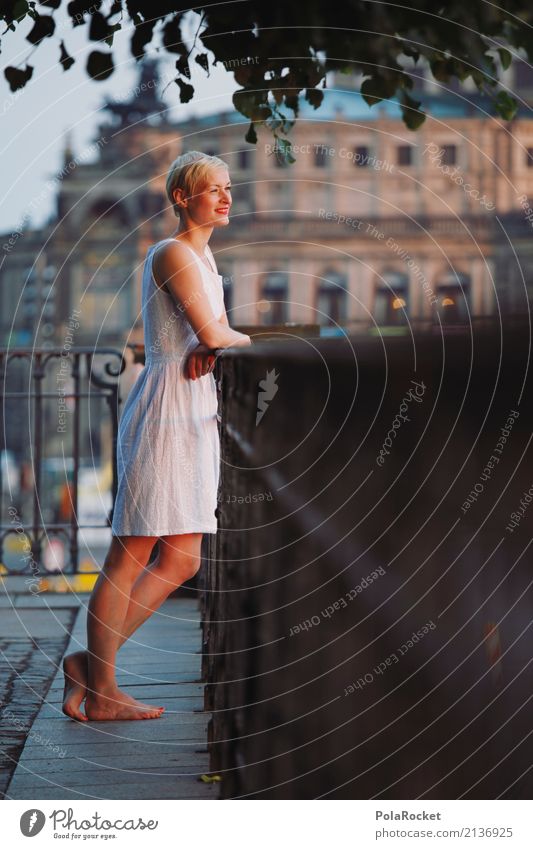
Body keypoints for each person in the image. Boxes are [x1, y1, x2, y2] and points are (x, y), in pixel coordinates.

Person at [62, 151, 251, 721]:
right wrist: (229, 340)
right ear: (180, 198)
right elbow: (213, 330)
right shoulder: (173, 251)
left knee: (183, 560)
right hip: (167, 412)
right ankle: (102, 689)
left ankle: (92, 667)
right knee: (132, 553)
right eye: (210, 189)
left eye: (227, 187)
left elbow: (209, 334)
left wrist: (214, 341)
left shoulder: (203, 254)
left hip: (192, 412)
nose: (225, 197)